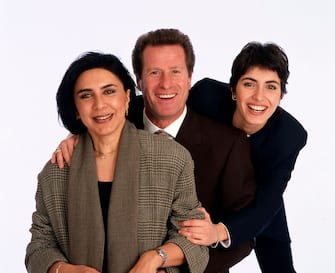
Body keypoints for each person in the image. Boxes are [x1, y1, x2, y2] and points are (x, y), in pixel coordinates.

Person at [51, 29, 256, 273]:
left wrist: (176, 267)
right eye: (154, 72)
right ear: (138, 81)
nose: (166, 83)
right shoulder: (110, 123)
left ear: (190, 78)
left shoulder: (228, 144)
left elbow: (244, 234)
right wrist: (78, 134)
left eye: (175, 72)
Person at [25, 52, 209, 273]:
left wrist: (156, 258)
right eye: (86, 96)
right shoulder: (57, 172)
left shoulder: (172, 159)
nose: (99, 104)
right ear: (75, 109)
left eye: (109, 91)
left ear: (127, 97)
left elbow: (194, 240)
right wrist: (65, 270)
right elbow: (39, 245)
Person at [184, 42, 308, 273]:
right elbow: (164, 112)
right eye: (249, 84)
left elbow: (267, 204)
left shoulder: (289, 137)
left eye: (271, 87)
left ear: (281, 94)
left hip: (255, 199)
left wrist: (219, 232)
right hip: (204, 188)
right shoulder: (205, 97)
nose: (259, 97)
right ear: (233, 89)